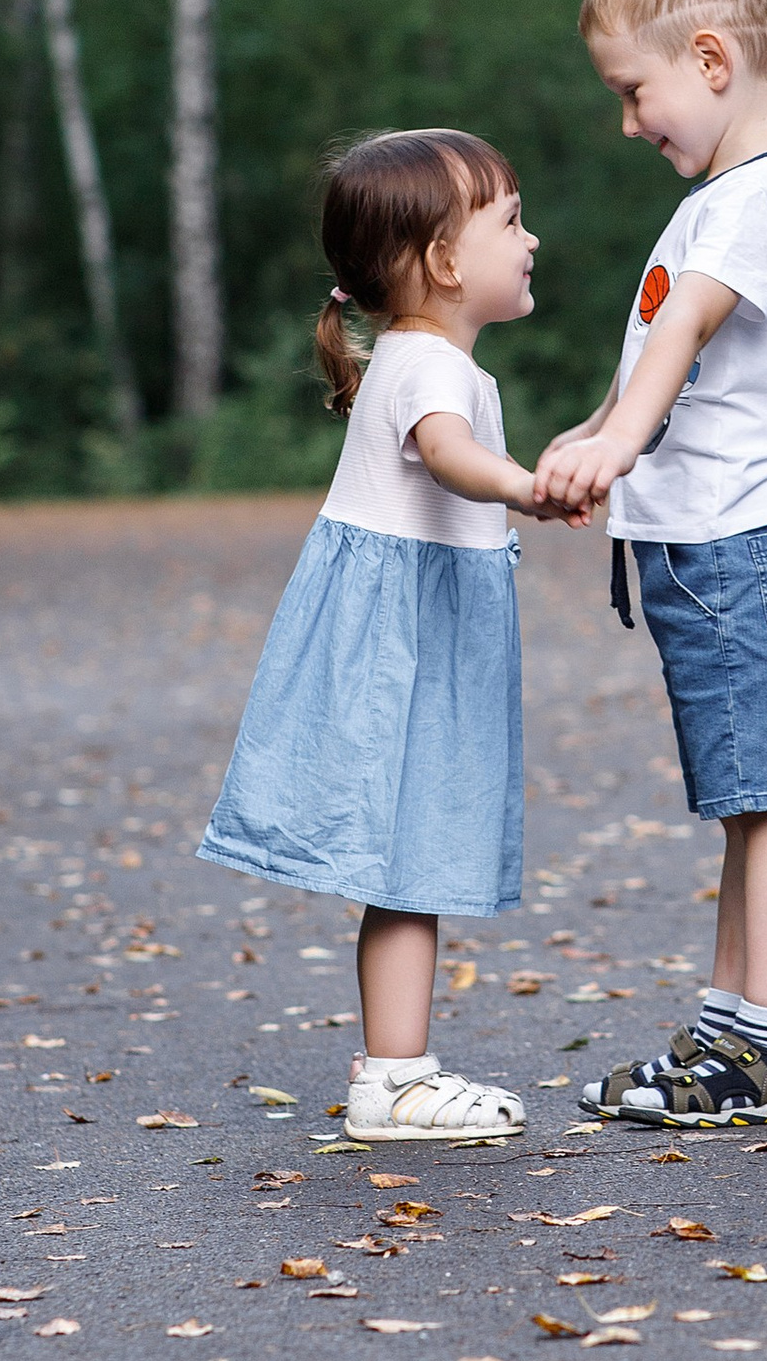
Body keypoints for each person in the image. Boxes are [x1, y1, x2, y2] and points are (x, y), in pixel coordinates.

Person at [198, 127, 573, 1146]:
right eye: (509, 220)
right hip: (404, 649)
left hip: (421, 633)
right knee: (410, 860)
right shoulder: (424, 369)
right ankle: (398, 1080)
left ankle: (395, 1066)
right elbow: (449, 458)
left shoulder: (421, 357)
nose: (530, 239)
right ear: (445, 262)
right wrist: (525, 488)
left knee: (413, 861)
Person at [533, 0, 767, 1129]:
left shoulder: (756, 201)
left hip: (740, 549)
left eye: (633, 91)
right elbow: (664, 358)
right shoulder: (723, 197)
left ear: (711, 62)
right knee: (743, 800)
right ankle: (728, 1032)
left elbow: (687, 329)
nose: (627, 121)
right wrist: (597, 425)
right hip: (710, 549)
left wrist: (617, 437)